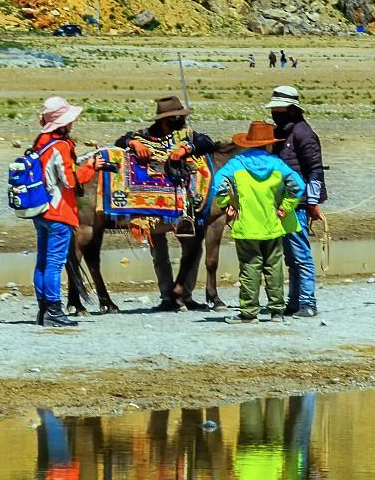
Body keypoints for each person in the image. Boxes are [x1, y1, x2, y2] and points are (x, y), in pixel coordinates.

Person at [116, 95, 222, 311]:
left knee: (191, 247)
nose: (180, 121)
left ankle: (185, 294)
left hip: (185, 203)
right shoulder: (143, 136)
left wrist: (187, 149)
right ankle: (167, 295)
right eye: (177, 118)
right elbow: (120, 143)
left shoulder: (188, 135)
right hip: (152, 205)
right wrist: (133, 143)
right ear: (166, 120)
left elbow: (208, 143)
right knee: (159, 250)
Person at [208, 121, 305, 322]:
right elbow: (298, 185)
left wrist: (227, 206)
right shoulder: (278, 164)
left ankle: (249, 312)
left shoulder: (236, 164)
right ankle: (277, 311)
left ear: (249, 143)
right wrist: (285, 207)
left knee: (250, 268)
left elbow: (218, 185)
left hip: (246, 227)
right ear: (269, 144)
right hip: (272, 225)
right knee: (274, 268)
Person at [28, 96, 99, 328]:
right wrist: (90, 167)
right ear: (64, 123)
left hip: (40, 210)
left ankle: (43, 310)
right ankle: (54, 311)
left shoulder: (41, 142)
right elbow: (70, 180)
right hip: (59, 212)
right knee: (55, 264)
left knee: (42, 262)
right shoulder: (60, 146)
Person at [265, 85, 324, 317]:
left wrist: (312, 202)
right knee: (291, 256)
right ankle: (294, 301)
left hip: (297, 204)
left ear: (290, 110)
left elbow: (315, 171)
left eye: (278, 109)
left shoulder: (303, 134)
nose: (274, 113)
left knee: (301, 255)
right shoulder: (284, 133)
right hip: (283, 203)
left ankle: (308, 302)